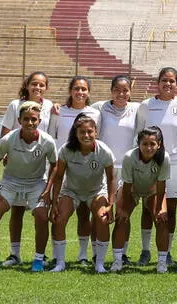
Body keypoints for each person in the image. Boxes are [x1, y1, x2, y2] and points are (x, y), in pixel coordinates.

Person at [0, 102, 57, 272]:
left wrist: (47, 189)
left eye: (34, 119)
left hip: (36, 183)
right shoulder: (8, 139)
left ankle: (38, 260)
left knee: (41, 216)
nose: (30, 123)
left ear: (39, 120)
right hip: (11, 182)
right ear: (19, 120)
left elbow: (55, 165)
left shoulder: (47, 141)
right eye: (26, 119)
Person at [136, 67, 177, 266]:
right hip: (150, 162)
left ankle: (166, 252)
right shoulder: (146, 105)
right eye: (164, 80)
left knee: (171, 208)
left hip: (175, 162)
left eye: (172, 81)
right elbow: (139, 133)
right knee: (147, 207)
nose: (168, 84)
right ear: (157, 83)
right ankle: (145, 250)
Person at [47, 113, 115, 273]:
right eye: (82, 132)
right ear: (76, 134)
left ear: (96, 132)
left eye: (89, 131)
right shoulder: (66, 150)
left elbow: (111, 179)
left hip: (96, 191)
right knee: (59, 218)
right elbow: (58, 177)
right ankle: (60, 262)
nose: (86, 135)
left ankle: (99, 263)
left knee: (102, 219)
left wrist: (111, 204)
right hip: (71, 191)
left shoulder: (103, 150)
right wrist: (54, 201)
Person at [0, 72, 54, 268]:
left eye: (41, 85)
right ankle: (15, 254)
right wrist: (7, 154)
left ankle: (42, 255)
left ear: (46, 88)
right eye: (34, 84)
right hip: (19, 164)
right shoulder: (15, 105)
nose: (37, 88)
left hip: (41, 166)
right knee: (17, 210)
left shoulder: (50, 106)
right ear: (27, 85)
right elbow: (6, 131)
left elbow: (52, 133)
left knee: (42, 211)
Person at [48, 76, 101, 266]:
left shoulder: (95, 112)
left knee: (84, 213)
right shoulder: (58, 111)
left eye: (84, 89)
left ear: (88, 92)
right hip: (63, 167)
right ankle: (56, 256)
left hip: (86, 168)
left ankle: (83, 255)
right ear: (70, 90)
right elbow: (51, 137)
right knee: (59, 213)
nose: (80, 92)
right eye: (77, 88)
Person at [91, 75, 140, 266]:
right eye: (117, 90)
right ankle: (97, 253)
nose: (121, 94)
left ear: (130, 91)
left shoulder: (137, 109)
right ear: (111, 91)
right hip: (104, 168)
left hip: (127, 169)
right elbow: (78, 110)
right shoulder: (99, 107)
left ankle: (122, 254)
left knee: (123, 213)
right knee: (99, 212)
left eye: (125, 90)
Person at [110, 126, 170, 273]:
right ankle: (118, 260)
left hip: (153, 190)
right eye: (145, 144)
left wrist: (160, 208)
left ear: (159, 144)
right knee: (121, 218)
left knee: (162, 219)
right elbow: (127, 185)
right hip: (131, 189)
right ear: (138, 144)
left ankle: (162, 262)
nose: (148, 148)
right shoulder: (130, 157)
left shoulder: (164, 158)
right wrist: (123, 209)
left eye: (152, 144)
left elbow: (161, 185)